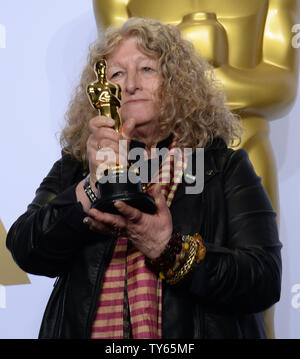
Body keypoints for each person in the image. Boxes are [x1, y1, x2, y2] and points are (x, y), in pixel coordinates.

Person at [6, 17, 281, 339]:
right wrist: (94, 185)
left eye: (147, 69)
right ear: (100, 93)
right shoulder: (76, 166)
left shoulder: (223, 166)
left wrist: (168, 248)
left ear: (177, 81)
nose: (131, 84)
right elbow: (26, 249)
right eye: (118, 74)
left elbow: (263, 279)